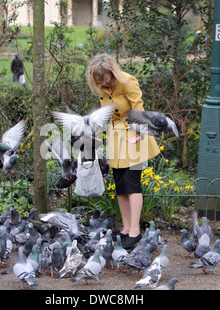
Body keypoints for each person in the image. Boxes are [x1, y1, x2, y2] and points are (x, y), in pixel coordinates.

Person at [87, 53, 160, 249]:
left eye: (106, 78)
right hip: (116, 139)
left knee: (132, 182)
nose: (103, 82)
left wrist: (139, 134)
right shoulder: (102, 88)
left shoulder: (128, 82)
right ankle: (126, 229)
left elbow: (139, 109)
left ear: (112, 72)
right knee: (120, 184)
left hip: (134, 136)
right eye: (99, 80)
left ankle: (135, 231)